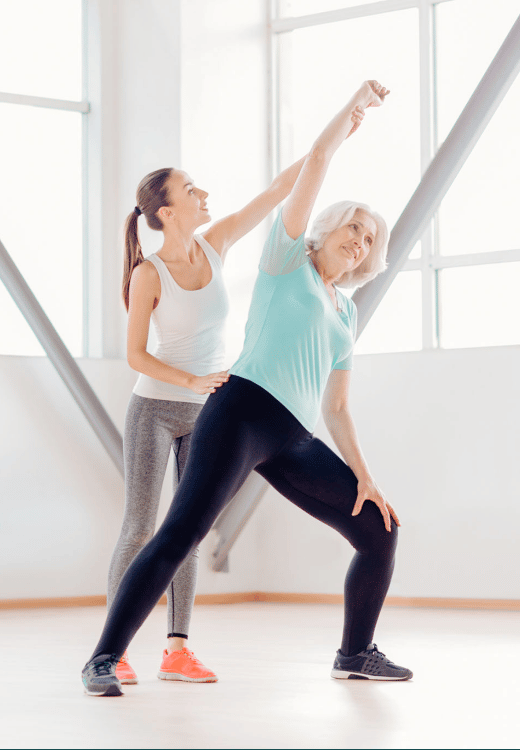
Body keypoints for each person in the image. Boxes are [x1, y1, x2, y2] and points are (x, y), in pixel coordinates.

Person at [84, 80, 410, 698]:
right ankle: (104, 657)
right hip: (240, 413)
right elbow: (311, 165)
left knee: (381, 530)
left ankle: (355, 652)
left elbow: (336, 406)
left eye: (369, 238)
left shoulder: (346, 311)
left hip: (293, 435)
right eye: (351, 227)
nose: (358, 240)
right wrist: (350, 114)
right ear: (326, 229)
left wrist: (365, 474)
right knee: (180, 532)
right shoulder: (286, 260)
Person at [111, 156, 308, 685]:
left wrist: (329, 139)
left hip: (207, 414)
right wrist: (191, 381)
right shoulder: (148, 272)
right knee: (139, 528)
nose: (203, 194)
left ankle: (177, 651)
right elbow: (134, 354)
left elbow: (273, 193)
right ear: (167, 210)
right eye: (190, 189)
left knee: (188, 530)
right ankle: (114, 651)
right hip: (154, 407)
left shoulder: (214, 244)